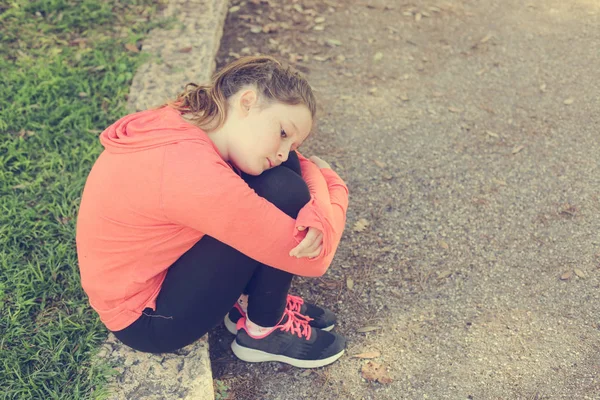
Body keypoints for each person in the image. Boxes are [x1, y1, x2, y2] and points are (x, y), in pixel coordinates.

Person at [76, 56, 349, 368]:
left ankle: (249, 304)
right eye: (283, 133)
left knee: (282, 173)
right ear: (248, 101)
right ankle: (262, 332)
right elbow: (315, 259)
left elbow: (298, 162)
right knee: (286, 194)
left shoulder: (194, 118)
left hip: (158, 271)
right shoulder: (192, 172)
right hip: (148, 320)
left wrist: (315, 186)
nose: (283, 150)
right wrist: (334, 188)